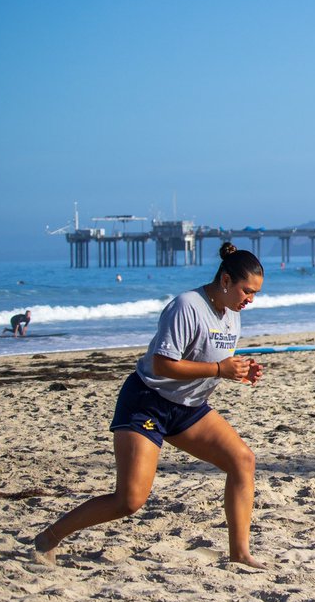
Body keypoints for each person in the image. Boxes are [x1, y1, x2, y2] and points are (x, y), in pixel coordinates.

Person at [33, 242, 267, 568]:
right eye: (247, 291)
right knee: (129, 500)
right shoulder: (187, 306)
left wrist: (239, 370)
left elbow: (212, 358)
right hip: (147, 402)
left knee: (243, 460)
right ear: (226, 280)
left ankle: (240, 554)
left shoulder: (231, 315)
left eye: (255, 293)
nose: (250, 300)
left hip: (188, 407)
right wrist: (219, 370)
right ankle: (50, 537)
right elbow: (162, 365)